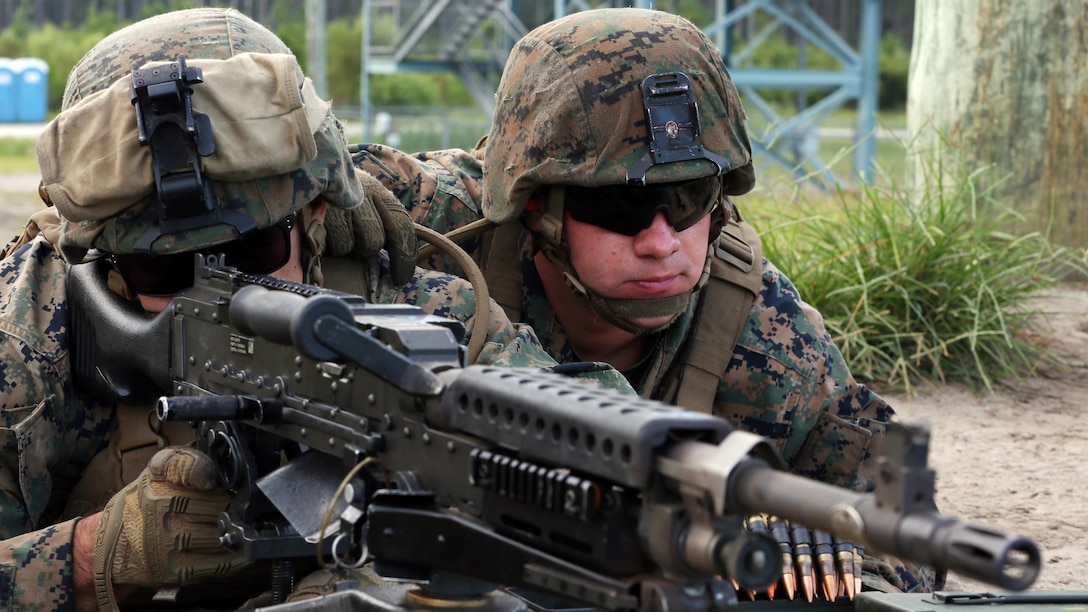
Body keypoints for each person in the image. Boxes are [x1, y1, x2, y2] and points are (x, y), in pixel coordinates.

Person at [0, 8, 632, 611]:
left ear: (317, 215)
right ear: (103, 262)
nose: (217, 292)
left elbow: (569, 425)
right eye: (161, 269)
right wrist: (95, 558)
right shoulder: (30, 340)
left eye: (253, 250)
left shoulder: (394, 308)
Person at [353, 7, 940, 594]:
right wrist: (327, 212)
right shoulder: (441, 230)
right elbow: (308, 180)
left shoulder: (769, 341)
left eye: (688, 198)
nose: (661, 243)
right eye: (620, 206)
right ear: (538, 208)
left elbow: (900, 533)